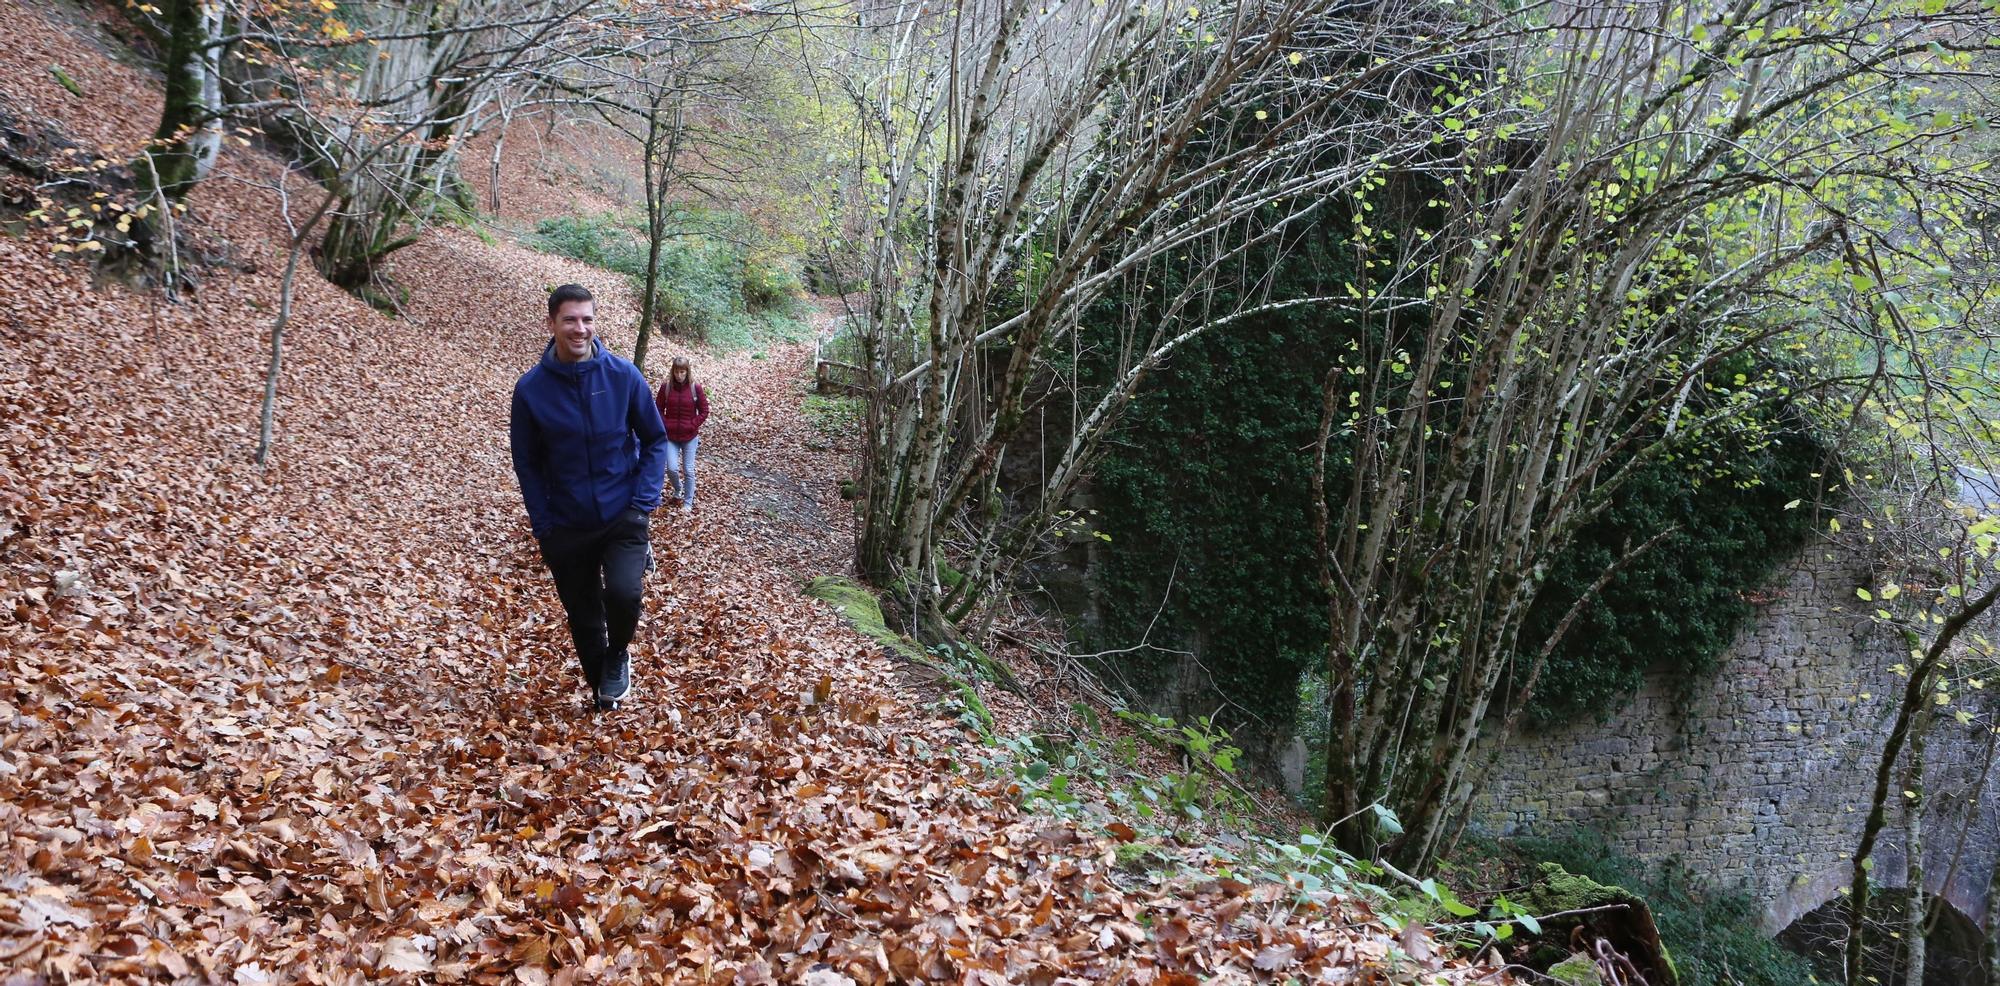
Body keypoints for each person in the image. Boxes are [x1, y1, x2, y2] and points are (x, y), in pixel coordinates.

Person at [509, 284, 668, 711]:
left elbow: (655, 439)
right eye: (570, 320)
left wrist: (642, 504)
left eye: (588, 319)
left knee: (622, 593)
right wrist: (544, 526)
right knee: (583, 617)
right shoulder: (531, 391)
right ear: (552, 324)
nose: (581, 329)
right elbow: (526, 463)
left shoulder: (622, 376)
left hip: (622, 515)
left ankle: (618, 653)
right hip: (566, 523)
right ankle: (602, 687)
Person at [653, 356, 709, 513]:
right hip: (671, 436)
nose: (679, 375)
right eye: (677, 371)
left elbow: (704, 410)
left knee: (689, 470)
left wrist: (692, 424)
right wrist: (665, 423)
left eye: (682, 371)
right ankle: (678, 490)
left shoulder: (695, 387)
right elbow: (658, 408)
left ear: (687, 371)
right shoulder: (666, 387)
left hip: (690, 436)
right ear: (673, 371)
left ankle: (688, 502)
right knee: (671, 468)